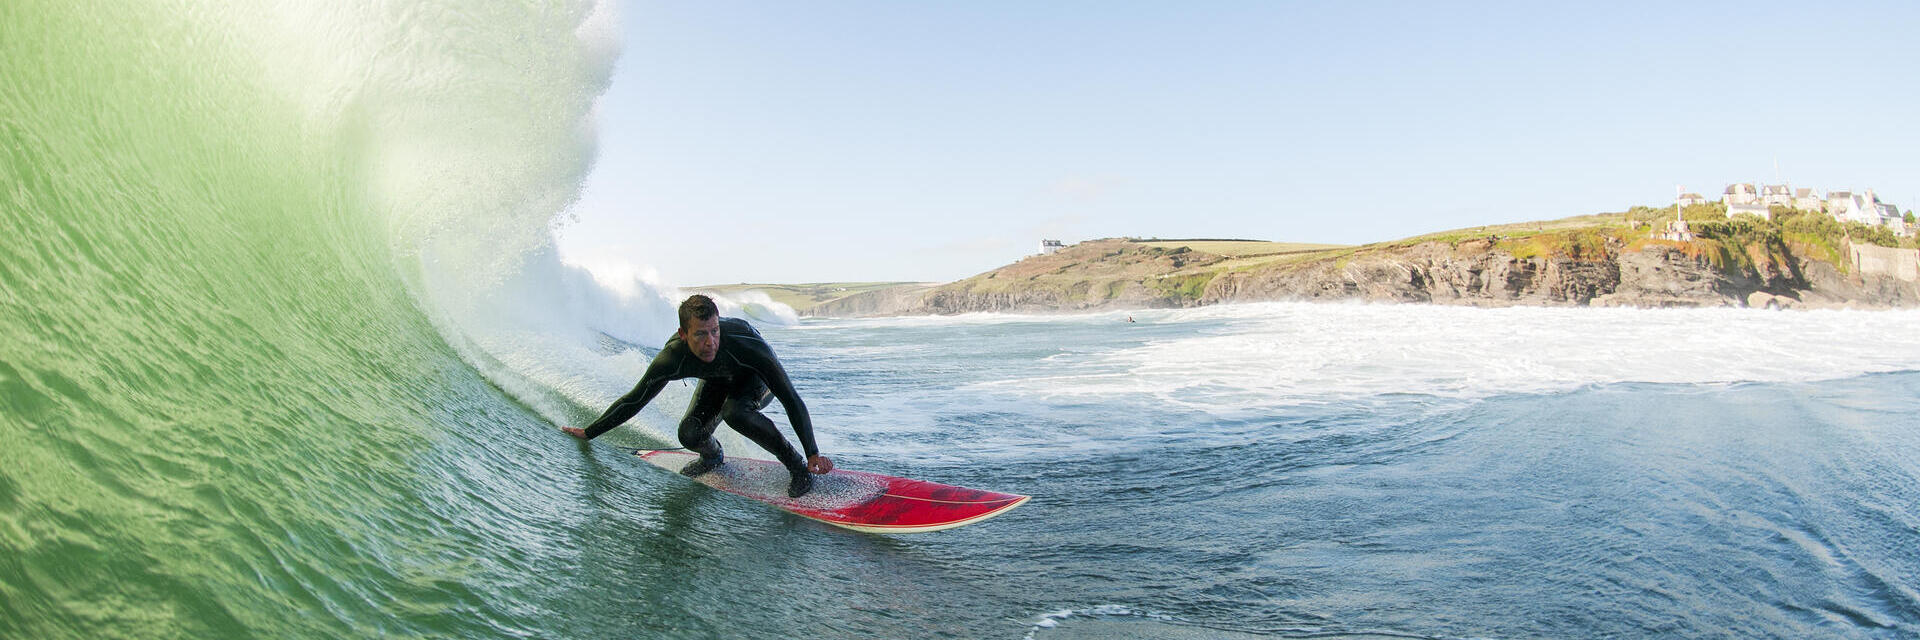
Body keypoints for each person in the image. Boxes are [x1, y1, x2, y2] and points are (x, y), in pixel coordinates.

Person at [562, 295, 833, 498]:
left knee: (735, 413)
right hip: (717, 380)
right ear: (683, 334)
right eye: (701, 334)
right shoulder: (673, 358)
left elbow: (790, 397)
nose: (710, 342)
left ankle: (797, 467)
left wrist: (812, 452)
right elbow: (635, 400)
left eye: (715, 331)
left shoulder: (747, 344)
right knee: (690, 434)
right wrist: (589, 432)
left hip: (755, 382)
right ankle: (713, 457)